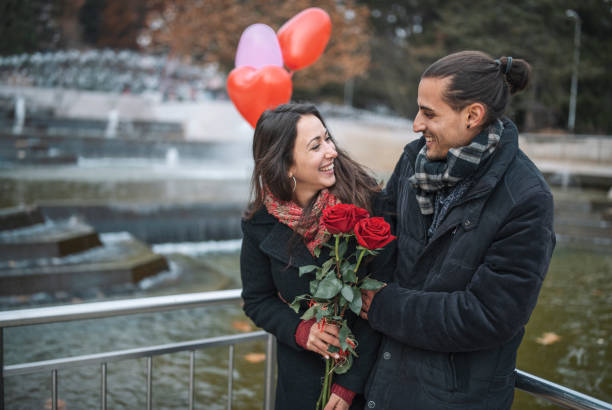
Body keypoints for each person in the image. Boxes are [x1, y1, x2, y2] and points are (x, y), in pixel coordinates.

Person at [360, 51, 556, 409]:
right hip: (383, 385)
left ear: (473, 115)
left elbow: (489, 316)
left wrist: (384, 306)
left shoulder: (526, 198)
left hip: (456, 399)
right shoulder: (412, 159)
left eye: (429, 113)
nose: (416, 124)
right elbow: (381, 248)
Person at [240, 103, 383, 410]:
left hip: (364, 386)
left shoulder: (367, 204)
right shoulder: (259, 223)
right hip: (299, 386)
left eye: (328, 139)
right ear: (286, 165)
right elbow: (256, 300)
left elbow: (380, 303)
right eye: (316, 146)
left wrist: (349, 387)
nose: (332, 151)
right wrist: (299, 330)